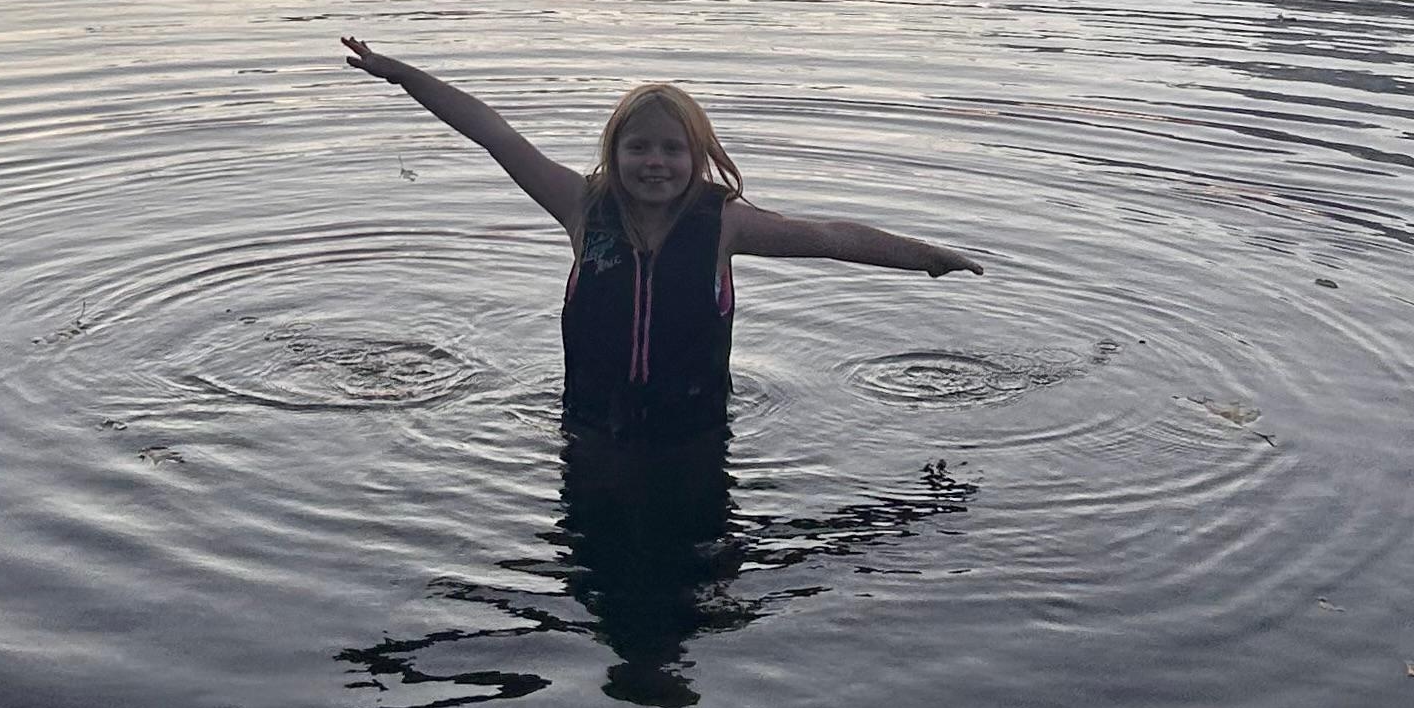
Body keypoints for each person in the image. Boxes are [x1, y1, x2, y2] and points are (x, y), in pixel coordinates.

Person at [339, 41, 980, 439]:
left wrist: (921, 256)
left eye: (672, 150)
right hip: (590, 429)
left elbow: (826, 236)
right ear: (613, 153)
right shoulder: (582, 207)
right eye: (637, 147)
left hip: (697, 433)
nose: (655, 162)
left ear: (697, 157)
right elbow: (494, 133)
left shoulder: (723, 220)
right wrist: (400, 74)